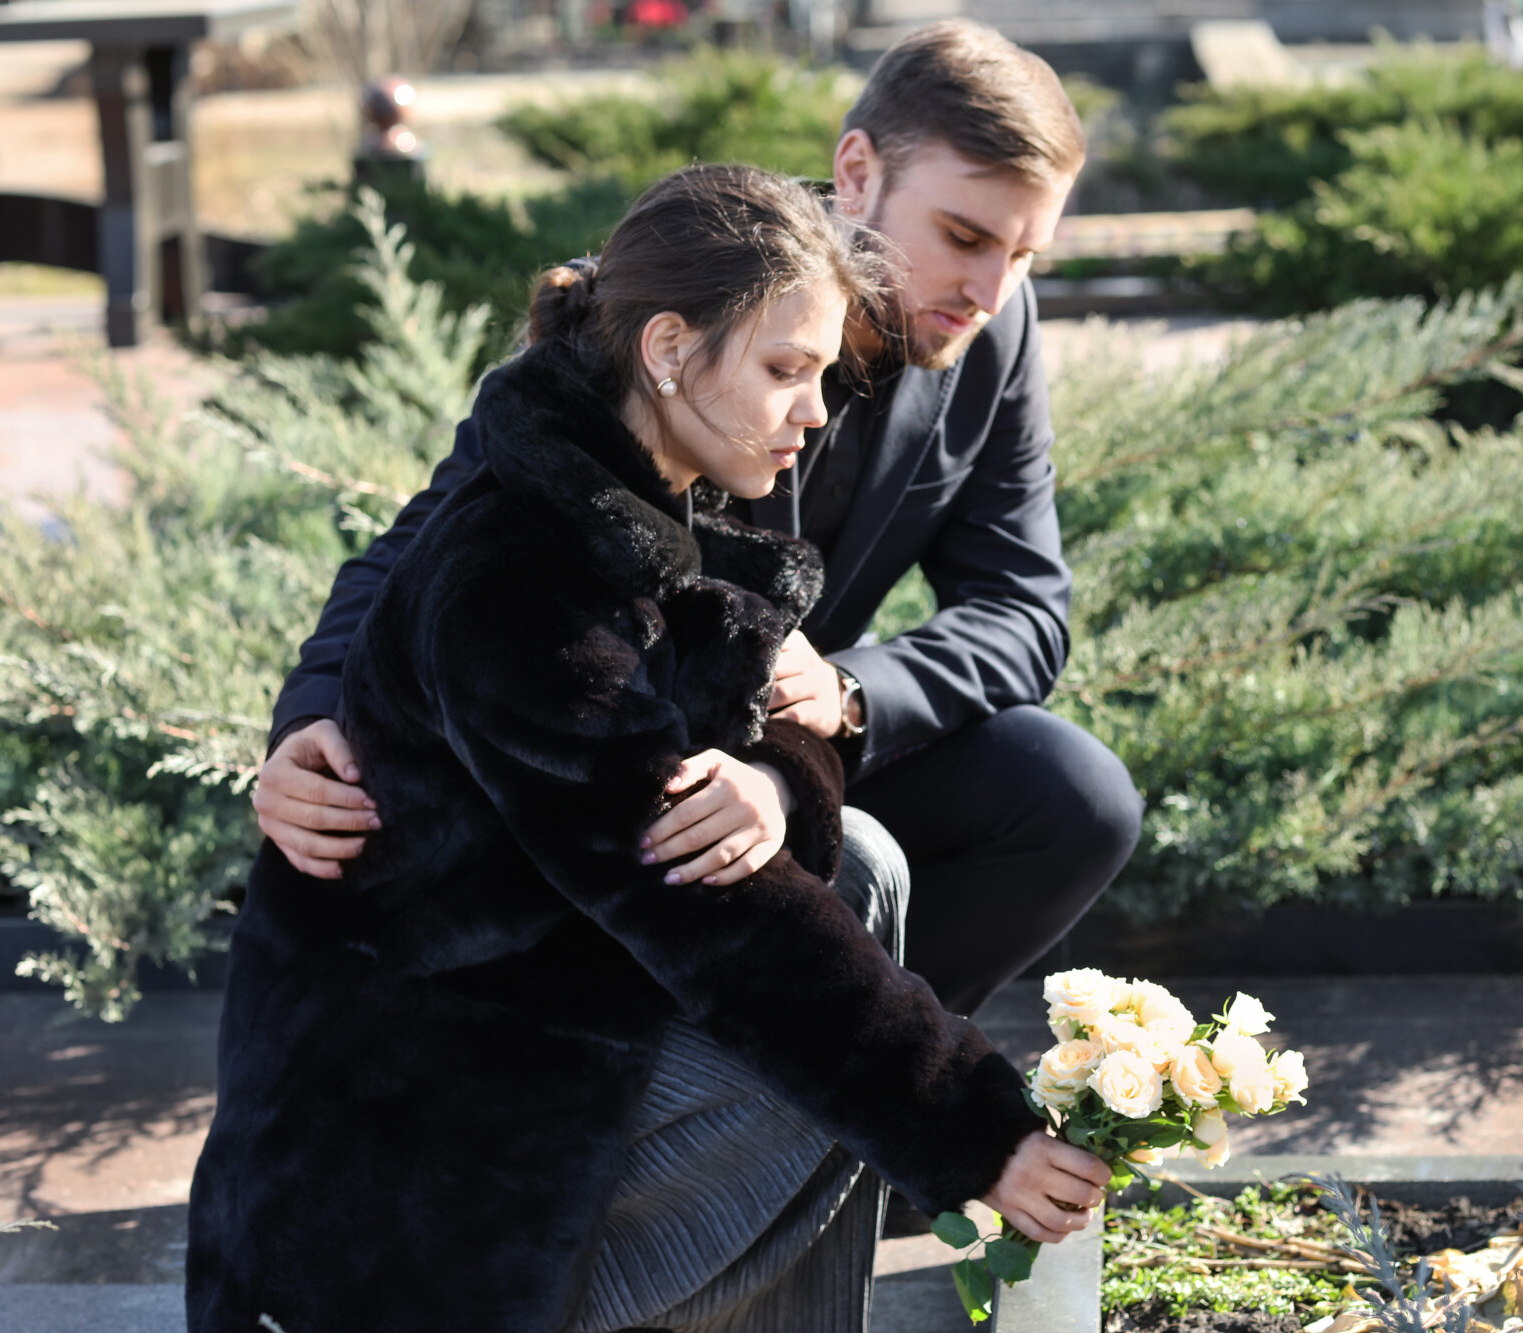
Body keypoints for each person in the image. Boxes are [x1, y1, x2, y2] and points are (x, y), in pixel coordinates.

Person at [187, 165, 1110, 1332]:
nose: (816, 412)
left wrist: (780, 778)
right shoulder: (524, 577)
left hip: (543, 1034)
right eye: (788, 372)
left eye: (822, 376)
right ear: (669, 347)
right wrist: (976, 1130)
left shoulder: (648, 481)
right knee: (826, 1075)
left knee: (855, 883)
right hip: (408, 1175)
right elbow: (712, 923)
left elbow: (776, 693)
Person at [249, 20, 1146, 1022]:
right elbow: (425, 548)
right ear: (855, 171)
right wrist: (311, 720)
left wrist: (847, 696)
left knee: (1073, 798)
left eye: (1025, 254)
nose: (989, 291)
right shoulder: (679, 303)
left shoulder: (991, 327)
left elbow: (1023, 605)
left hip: (794, 751)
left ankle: (842, 1117)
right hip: (605, 777)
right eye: (966, 237)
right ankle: (695, 1104)